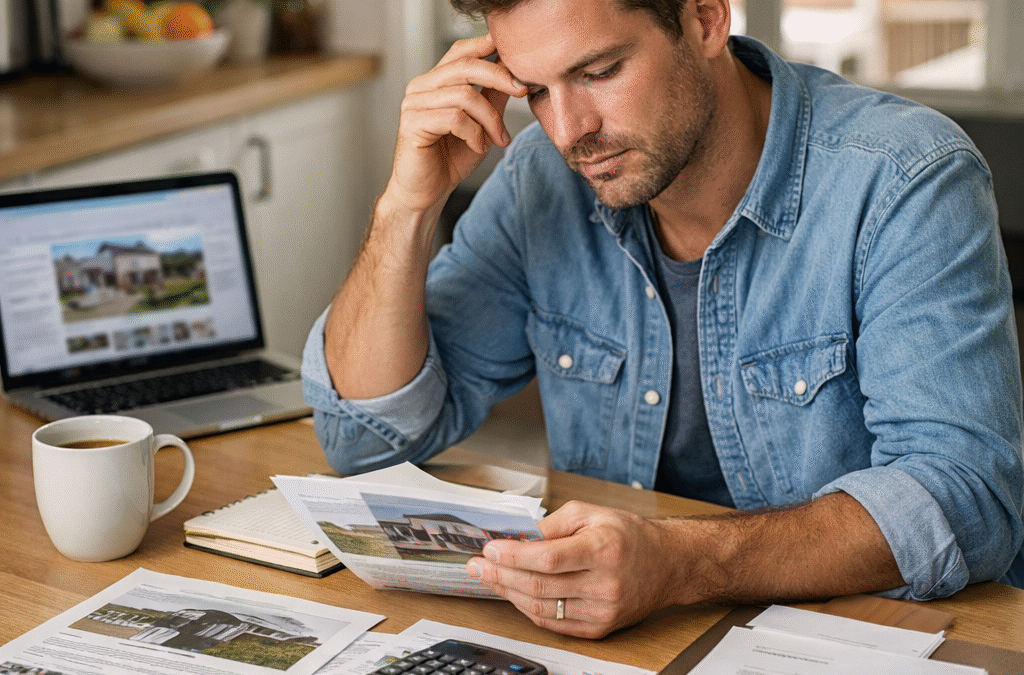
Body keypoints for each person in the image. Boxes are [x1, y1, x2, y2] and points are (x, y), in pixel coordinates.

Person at [302, 0, 1024, 639]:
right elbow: (367, 438)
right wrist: (406, 206)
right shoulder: (540, 178)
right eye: (535, 92)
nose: (568, 131)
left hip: (862, 636)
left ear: (705, 18)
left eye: (599, 71)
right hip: (626, 641)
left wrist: (678, 564)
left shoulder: (904, 177)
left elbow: (964, 495)